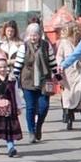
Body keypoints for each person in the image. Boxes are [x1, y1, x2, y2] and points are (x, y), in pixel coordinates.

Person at [17, 14, 55, 142]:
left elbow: (52, 62)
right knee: (30, 107)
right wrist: (13, 78)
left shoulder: (46, 46)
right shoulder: (24, 47)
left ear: (40, 35)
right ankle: (31, 132)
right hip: (28, 80)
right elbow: (18, 64)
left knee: (44, 107)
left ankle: (39, 126)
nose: (33, 37)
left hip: (45, 80)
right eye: (31, 35)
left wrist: (59, 77)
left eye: (36, 35)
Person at [57, 21, 81, 132]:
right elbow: (59, 58)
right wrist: (59, 73)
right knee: (69, 97)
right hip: (68, 74)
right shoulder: (64, 43)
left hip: (80, 72)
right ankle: (69, 120)